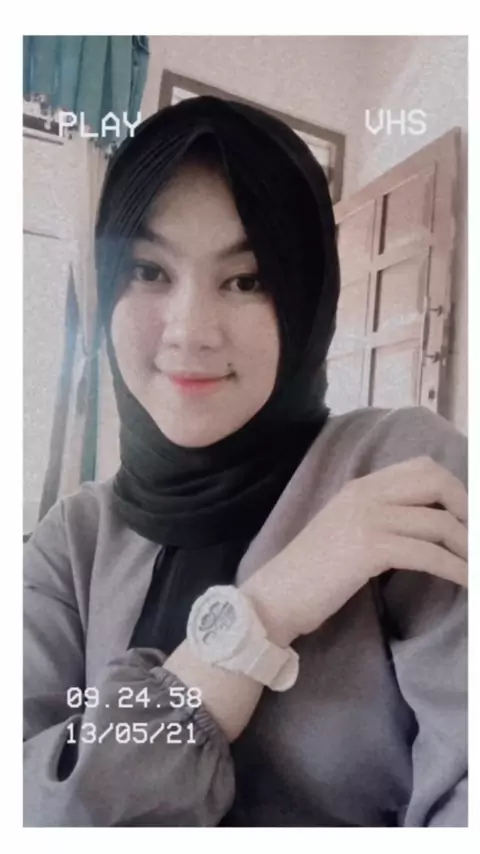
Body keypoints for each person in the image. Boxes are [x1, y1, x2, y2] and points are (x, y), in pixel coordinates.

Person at [23, 95, 468, 828]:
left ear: (305, 298)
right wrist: (257, 619)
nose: (190, 331)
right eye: (148, 270)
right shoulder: (72, 544)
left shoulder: (400, 474)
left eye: (247, 279)